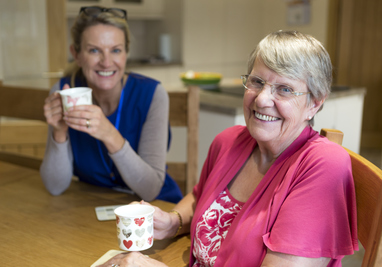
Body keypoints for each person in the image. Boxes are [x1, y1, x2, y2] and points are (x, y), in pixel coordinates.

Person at [98, 30, 358, 267]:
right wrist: (173, 222)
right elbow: (201, 198)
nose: (262, 99)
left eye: (285, 89)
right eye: (257, 82)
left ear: (315, 103)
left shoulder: (324, 164)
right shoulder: (230, 141)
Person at [40, 6, 182, 203]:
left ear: (126, 54)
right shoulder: (65, 91)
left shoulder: (152, 94)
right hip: (92, 205)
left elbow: (150, 190)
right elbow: (55, 187)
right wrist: (59, 133)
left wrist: (109, 134)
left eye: (115, 50)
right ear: (77, 54)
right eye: (94, 50)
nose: (106, 62)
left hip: (153, 210)